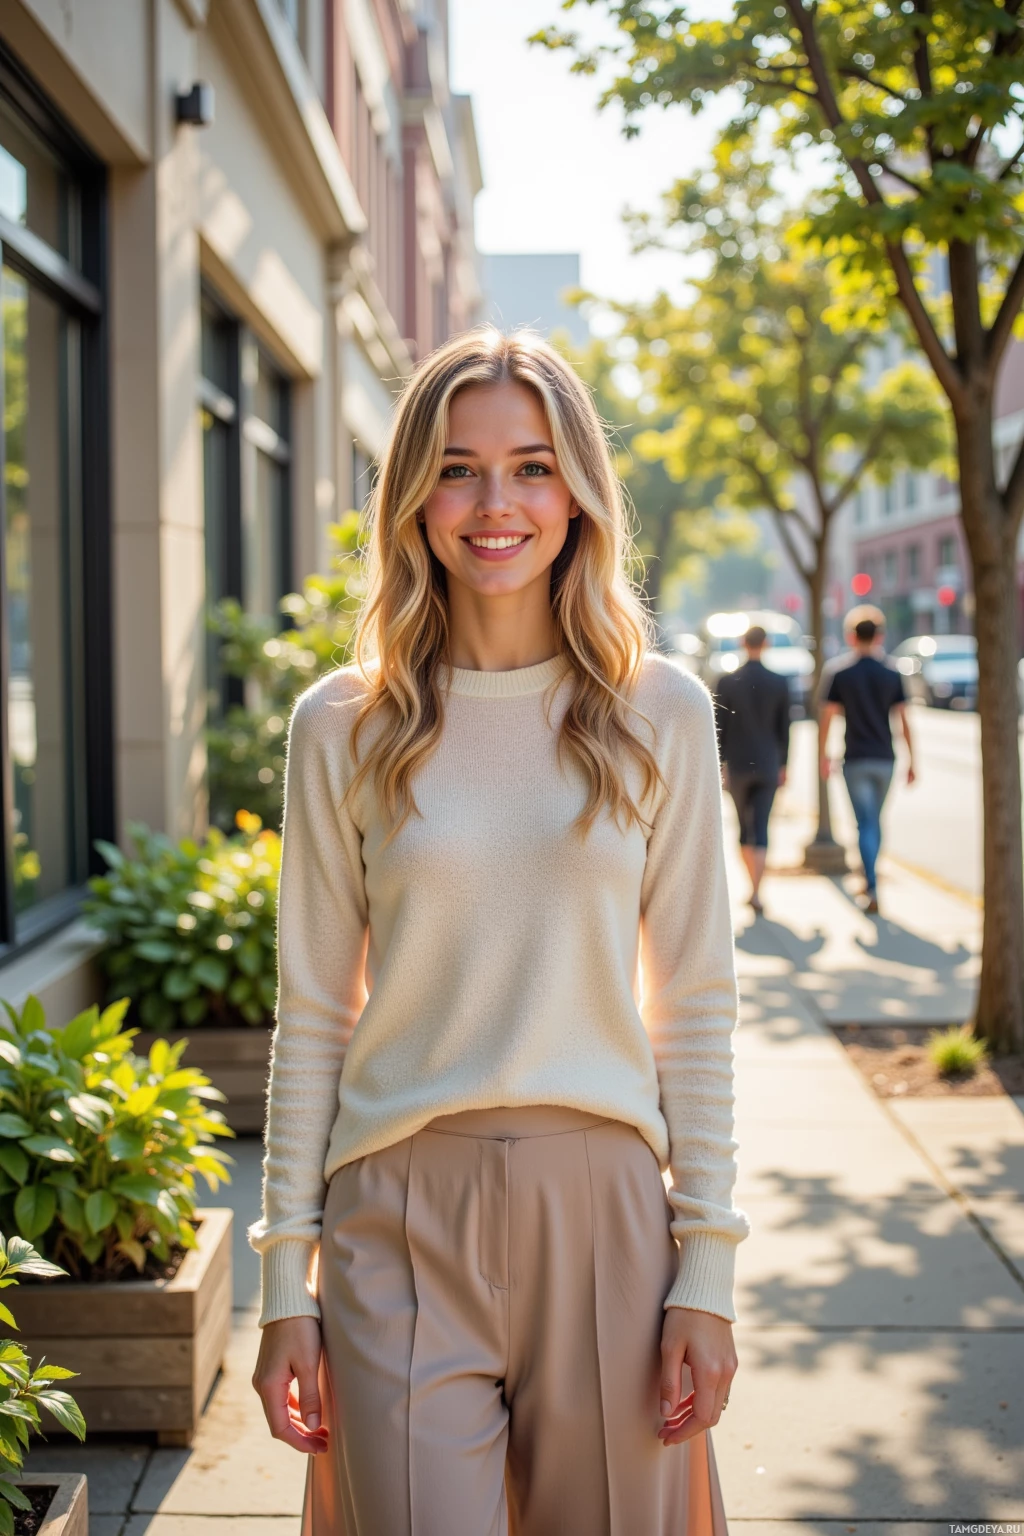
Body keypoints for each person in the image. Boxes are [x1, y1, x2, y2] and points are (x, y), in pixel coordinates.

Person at [247, 327, 750, 1536]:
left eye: (530, 466)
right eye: (458, 468)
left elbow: (696, 1000)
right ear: (412, 493)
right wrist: (281, 1285)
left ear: (577, 492)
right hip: (394, 1216)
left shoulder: (657, 714)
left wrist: (709, 1271)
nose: (494, 504)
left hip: (607, 1215)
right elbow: (314, 1011)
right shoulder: (343, 727)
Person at [818, 604, 916, 915]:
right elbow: (904, 719)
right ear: (880, 636)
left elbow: (828, 717)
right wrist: (913, 760)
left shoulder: (840, 673)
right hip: (885, 758)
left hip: (856, 758)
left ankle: (870, 883)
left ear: (850, 636)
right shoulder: (892, 672)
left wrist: (823, 755)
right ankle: (871, 879)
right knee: (874, 822)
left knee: (865, 823)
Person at [713, 624, 791, 915]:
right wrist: (785, 765)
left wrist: (719, 765)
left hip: (738, 765)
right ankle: (757, 890)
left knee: (743, 827)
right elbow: (786, 730)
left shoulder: (727, 682)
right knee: (762, 825)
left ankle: (752, 887)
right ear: (766, 643)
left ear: (742, 643)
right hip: (769, 764)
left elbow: (717, 730)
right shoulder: (780, 682)